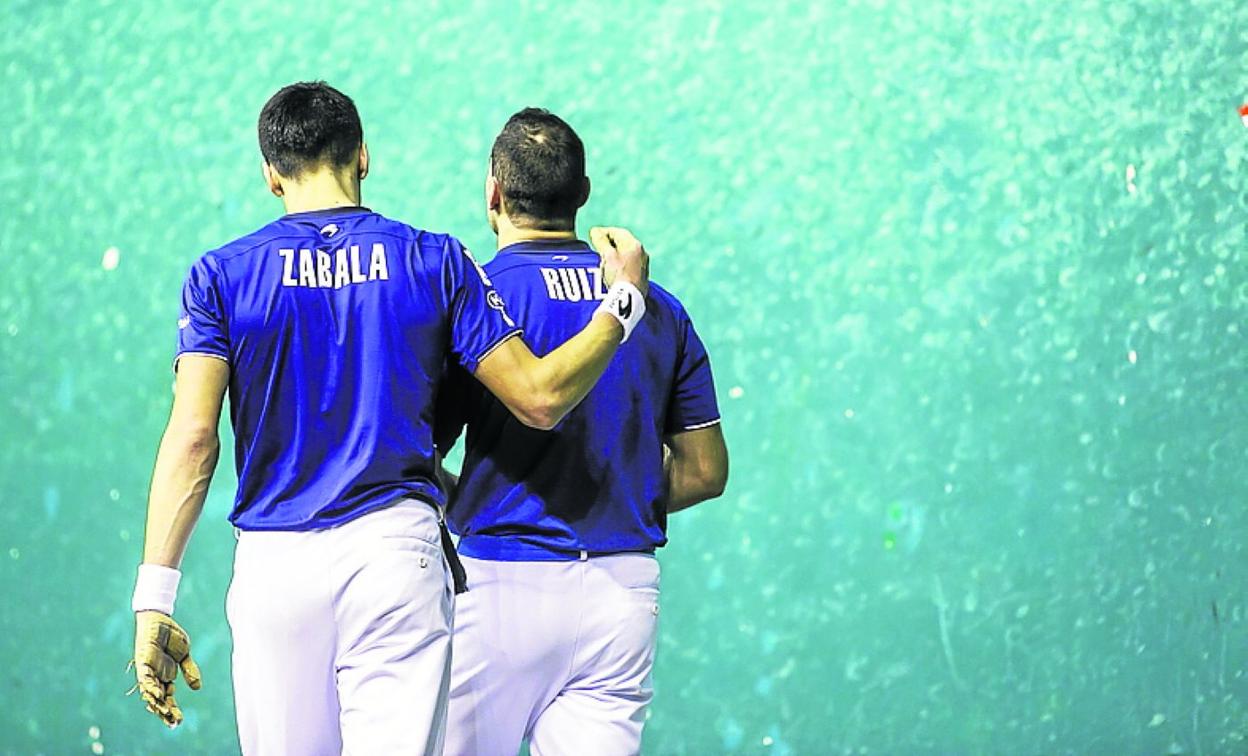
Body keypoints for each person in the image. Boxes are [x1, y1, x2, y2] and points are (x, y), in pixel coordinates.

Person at [128, 83, 650, 755]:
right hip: (395, 560)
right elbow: (540, 397)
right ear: (364, 157)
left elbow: (195, 438)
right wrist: (622, 305)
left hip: (275, 570)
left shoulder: (219, 276)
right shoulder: (435, 260)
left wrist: (155, 596)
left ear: (270, 174)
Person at [435, 108, 729, 756]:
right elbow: (706, 471)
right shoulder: (662, 308)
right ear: (583, 194)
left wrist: (466, 500)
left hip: (499, 589)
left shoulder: (472, 297)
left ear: (494, 193)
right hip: (623, 600)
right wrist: (619, 490)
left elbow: (412, 455)